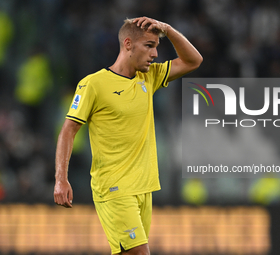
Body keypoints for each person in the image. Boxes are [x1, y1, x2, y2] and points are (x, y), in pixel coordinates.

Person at [54, 16, 202, 255]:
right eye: (149, 46)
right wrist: (61, 178)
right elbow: (68, 130)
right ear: (128, 44)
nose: (155, 54)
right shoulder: (94, 84)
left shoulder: (149, 77)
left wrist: (167, 29)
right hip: (114, 188)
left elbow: (193, 60)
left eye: (156, 47)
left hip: (144, 188)